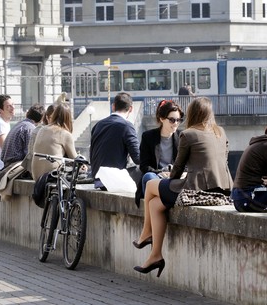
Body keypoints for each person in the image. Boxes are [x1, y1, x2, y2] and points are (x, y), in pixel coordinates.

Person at [133, 97, 233, 277]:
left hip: (195, 191)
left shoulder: (188, 134)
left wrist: (168, 179)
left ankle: (146, 233)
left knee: (149, 186)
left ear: (192, 113)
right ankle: (155, 255)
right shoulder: (221, 132)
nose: (177, 122)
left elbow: (177, 171)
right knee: (155, 205)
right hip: (223, 192)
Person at [136, 100, 183, 206]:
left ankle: (154, 211)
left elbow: (187, 166)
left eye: (178, 120)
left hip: (173, 180)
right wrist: (160, 173)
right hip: (156, 177)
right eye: (172, 120)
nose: (176, 123)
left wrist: (173, 174)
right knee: (148, 177)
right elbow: (144, 166)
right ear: (162, 119)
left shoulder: (182, 137)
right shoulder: (148, 137)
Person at [90, 92, 140, 188]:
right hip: (113, 180)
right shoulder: (127, 126)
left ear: (113, 107)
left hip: (98, 180)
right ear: (130, 109)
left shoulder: (98, 125)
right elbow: (137, 158)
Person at [31, 103, 77, 181]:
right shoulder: (65, 134)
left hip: (36, 176)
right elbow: (75, 159)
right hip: (52, 176)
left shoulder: (42, 129)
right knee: (81, 173)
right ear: (69, 118)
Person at [1, 103, 44, 169]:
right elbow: (29, 154)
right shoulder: (30, 128)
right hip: (16, 165)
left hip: (7, 164)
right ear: (41, 119)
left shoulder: (19, 124)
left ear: (27, 114)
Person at [22, 104, 55, 173]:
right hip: (41, 171)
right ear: (47, 117)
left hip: (31, 169)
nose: (56, 121)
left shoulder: (24, 125)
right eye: (54, 118)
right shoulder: (33, 129)